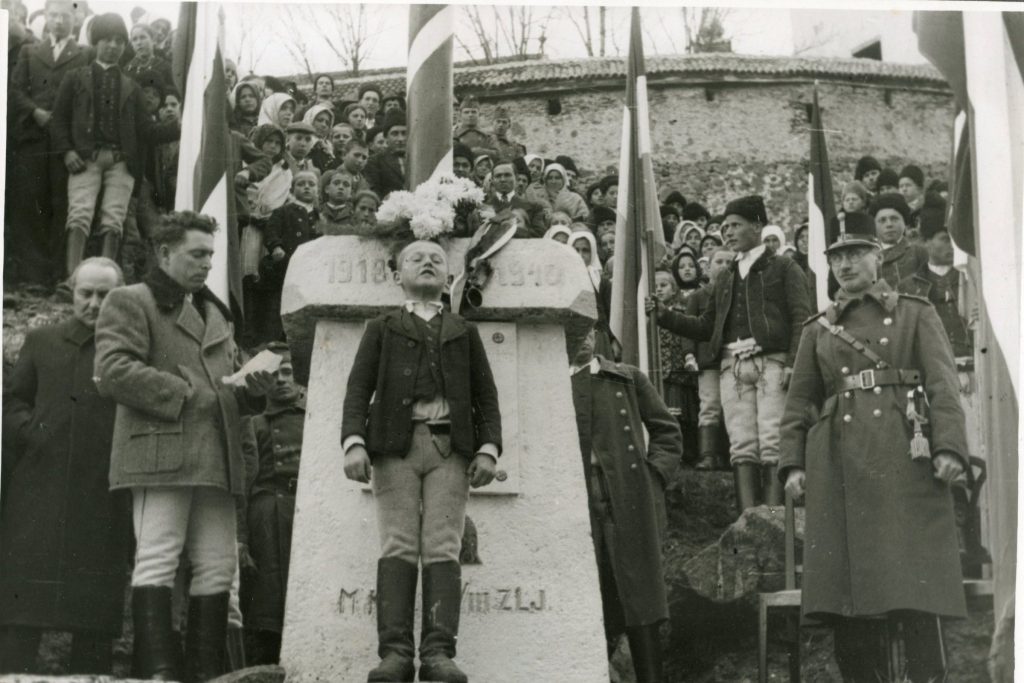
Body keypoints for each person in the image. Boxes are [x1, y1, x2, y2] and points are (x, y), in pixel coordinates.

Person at [779, 210, 968, 683]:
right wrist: (792, 463)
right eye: (836, 257)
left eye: (855, 254)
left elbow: (944, 387)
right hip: (838, 461)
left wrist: (949, 448)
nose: (845, 265)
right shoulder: (816, 329)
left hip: (907, 455)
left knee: (915, 583)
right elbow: (800, 401)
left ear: (877, 257)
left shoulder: (914, 312)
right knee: (849, 594)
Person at [93, 211, 275, 682]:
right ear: (164, 253)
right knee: (157, 558)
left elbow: (226, 382)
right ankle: (160, 674)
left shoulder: (217, 311)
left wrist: (252, 388)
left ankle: (205, 676)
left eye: (211, 255)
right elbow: (114, 370)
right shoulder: (130, 300)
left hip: (217, 458)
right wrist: (189, 394)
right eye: (197, 254)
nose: (206, 264)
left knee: (217, 568)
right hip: (161, 453)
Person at [341, 240, 502, 683]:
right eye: (416, 258)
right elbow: (358, 389)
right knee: (397, 543)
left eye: (436, 258)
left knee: (443, 544)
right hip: (395, 448)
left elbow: (485, 394)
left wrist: (489, 448)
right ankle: (394, 654)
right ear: (398, 275)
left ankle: (437, 655)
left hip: (451, 450)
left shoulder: (462, 330)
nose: (427, 262)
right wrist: (354, 441)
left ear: (449, 276)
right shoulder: (382, 326)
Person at [0, 258, 130, 675]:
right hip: (40, 488)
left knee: (92, 616)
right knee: (21, 608)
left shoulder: (130, 347)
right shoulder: (42, 340)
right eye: (85, 293)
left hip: (100, 493)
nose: (94, 303)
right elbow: (15, 400)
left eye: (104, 294)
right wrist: (32, 430)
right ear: (71, 293)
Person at [645, 195, 810, 512]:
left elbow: (802, 317)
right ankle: (749, 520)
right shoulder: (725, 277)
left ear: (757, 225)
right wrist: (664, 315)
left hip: (772, 362)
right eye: (724, 227)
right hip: (731, 366)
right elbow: (707, 326)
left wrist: (793, 363)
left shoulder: (785, 267)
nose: (728, 232)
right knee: (741, 443)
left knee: (773, 438)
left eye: (735, 225)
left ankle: (775, 517)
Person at [569, 329, 681, 683]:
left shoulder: (627, 377)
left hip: (627, 496)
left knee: (639, 596)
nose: (583, 339)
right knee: (592, 593)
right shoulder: (551, 384)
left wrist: (652, 479)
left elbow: (667, 431)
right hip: (577, 499)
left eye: (588, 331)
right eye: (574, 331)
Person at [50, 12, 180, 291]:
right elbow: (58, 120)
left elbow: (146, 130)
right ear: (96, 42)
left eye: (120, 41)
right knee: (79, 214)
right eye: (107, 40)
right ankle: (74, 279)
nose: (114, 46)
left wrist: (184, 126)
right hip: (85, 159)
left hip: (121, 162)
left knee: (114, 218)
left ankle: (104, 282)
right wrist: (66, 152)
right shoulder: (75, 78)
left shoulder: (131, 86)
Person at [8, 0, 93, 286]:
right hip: (32, 138)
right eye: (53, 15)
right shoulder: (30, 51)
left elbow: (86, 97)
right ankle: (33, 274)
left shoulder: (84, 53)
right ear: (45, 16)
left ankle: (57, 274)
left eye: (65, 15)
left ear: (76, 17)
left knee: (61, 203)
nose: (58, 21)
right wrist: (35, 111)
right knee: (31, 202)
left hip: (64, 143)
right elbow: (15, 89)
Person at [240, 342, 305, 666]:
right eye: (273, 374)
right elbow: (244, 484)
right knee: (267, 595)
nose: (281, 380)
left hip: (306, 512)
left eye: (288, 372)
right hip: (267, 515)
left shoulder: (316, 420)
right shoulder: (253, 425)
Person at [688, 247, 734, 470]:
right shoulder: (698, 297)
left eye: (728, 262)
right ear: (707, 267)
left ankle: (729, 455)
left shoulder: (737, 292)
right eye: (719, 261)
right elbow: (690, 328)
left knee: (733, 407)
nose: (724, 266)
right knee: (710, 404)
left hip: (731, 358)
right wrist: (690, 355)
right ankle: (707, 455)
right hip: (708, 360)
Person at [870, 192, 928, 287]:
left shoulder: (918, 252)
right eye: (882, 220)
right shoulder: (869, 256)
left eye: (894, 219)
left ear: (904, 222)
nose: (889, 224)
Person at [486, 161, 546, 237]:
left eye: (507, 175)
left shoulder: (535, 208)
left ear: (516, 178)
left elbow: (540, 236)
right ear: (492, 180)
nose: (503, 179)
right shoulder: (482, 207)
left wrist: (518, 229)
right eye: (498, 176)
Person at [364, 109, 407, 199]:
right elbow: (374, 193)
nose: (400, 139)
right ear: (386, 137)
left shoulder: (417, 159)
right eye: (395, 134)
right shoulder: (375, 161)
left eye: (404, 133)